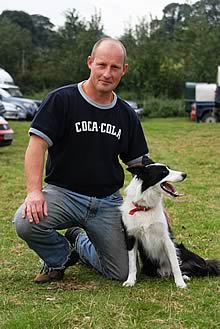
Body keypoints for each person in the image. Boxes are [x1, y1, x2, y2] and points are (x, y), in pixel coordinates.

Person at [14, 37, 149, 284]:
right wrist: (34, 192)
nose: (107, 73)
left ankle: (79, 241)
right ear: (90, 63)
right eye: (101, 65)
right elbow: (37, 146)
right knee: (25, 221)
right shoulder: (61, 100)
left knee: (123, 273)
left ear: (124, 70)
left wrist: (153, 204)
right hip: (63, 194)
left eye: (115, 67)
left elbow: (139, 163)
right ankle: (60, 257)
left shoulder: (126, 114)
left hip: (107, 202)